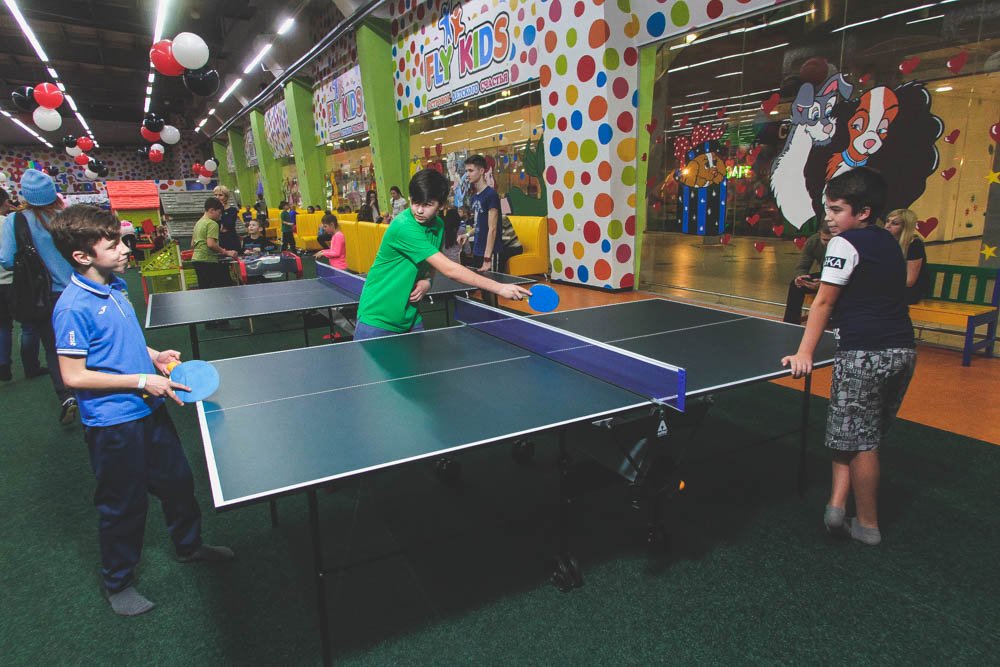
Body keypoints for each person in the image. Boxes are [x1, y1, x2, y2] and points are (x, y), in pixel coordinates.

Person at [49, 204, 234, 617]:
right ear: (82, 256)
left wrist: (153, 356)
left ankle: (188, 546)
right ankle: (118, 583)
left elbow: (120, 341)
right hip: (114, 424)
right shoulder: (73, 306)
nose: (124, 249)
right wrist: (140, 381)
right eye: (113, 244)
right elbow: (73, 375)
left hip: (149, 410)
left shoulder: (114, 286)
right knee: (123, 504)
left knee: (179, 483)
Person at [781, 167, 916, 547]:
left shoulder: (843, 244)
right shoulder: (889, 241)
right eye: (827, 208)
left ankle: (867, 525)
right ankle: (837, 505)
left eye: (837, 209)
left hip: (863, 354)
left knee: (862, 443)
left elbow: (824, 302)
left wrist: (804, 352)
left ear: (863, 211)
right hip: (903, 352)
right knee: (860, 433)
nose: (828, 216)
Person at [355, 169, 531, 339]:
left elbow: (432, 263)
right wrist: (499, 288)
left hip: (409, 317)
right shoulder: (404, 227)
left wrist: (428, 281)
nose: (419, 210)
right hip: (377, 318)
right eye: (415, 202)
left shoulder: (438, 225)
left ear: (441, 205)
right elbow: (449, 269)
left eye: (427, 205)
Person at [0, 169, 77, 422]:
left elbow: (6, 259)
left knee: (54, 348)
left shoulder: (16, 220)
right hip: (78, 291)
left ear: (25, 195)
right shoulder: (68, 217)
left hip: (43, 295)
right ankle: (95, 389)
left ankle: (66, 395)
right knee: (87, 342)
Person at [0, 185, 42, 382]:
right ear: (4, 202)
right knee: (29, 324)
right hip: (15, 280)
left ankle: (3, 363)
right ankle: (31, 366)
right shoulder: (11, 222)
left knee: (2, 325)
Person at [190, 197, 238, 326]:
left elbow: (192, 243)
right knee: (219, 291)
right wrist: (226, 252)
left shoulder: (199, 223)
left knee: (206, 292)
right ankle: (222, 321)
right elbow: (211, 244)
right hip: (208, 261)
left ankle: (209, 322)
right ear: (212, 210)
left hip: (197, 260)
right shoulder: (212, 224)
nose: (220, 216)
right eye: (219, 213)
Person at [782, 223, 834, 323]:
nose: (828, 243)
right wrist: (801, 277)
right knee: (796, 285)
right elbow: (803, 265)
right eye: (825, 240)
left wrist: (825, 282)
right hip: (824, 275)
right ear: (819, 235)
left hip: (842, 278)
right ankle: (791, 323)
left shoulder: (844, 244)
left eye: (831, 240)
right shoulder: (813, 241)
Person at [312, 214, 355, 336]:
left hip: (340, 270)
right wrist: (323, 251)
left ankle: (351, 324)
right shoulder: (335, 236)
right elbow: (333, 251)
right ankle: (342, 315)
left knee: (342, 296)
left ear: (332, 225)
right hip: (336, 269)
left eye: (325, 226)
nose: (324, 229)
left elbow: (336, 253)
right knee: (337, 294)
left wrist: (323, 253)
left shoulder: (339, 236)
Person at [465, 155, 502, 272]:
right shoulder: (475, 197)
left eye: (471, 170)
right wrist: (467, 235)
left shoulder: (491, 195)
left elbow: (492, 229)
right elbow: (479, 225)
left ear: (481, 171)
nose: (467, 174)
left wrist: (487, 257)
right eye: (466, 171)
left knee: (492, 283)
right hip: (478, 249)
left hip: (490, 252)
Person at [884, 209, 930, 305]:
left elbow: (909, 281)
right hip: (890, 287)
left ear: (905, 227)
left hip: (908, 291)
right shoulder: (885, 242)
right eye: (887, 221)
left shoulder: (914, 244)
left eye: (895, 223)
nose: (887, 226)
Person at [212, 186, 241, 253]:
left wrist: (221, 209)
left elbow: (229, 224)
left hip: (231, 240)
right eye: (215, 195)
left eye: (220, 195)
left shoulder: (232, 210)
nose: (217, 197)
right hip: (219, 241)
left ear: (226, 197)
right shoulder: (212, 211)